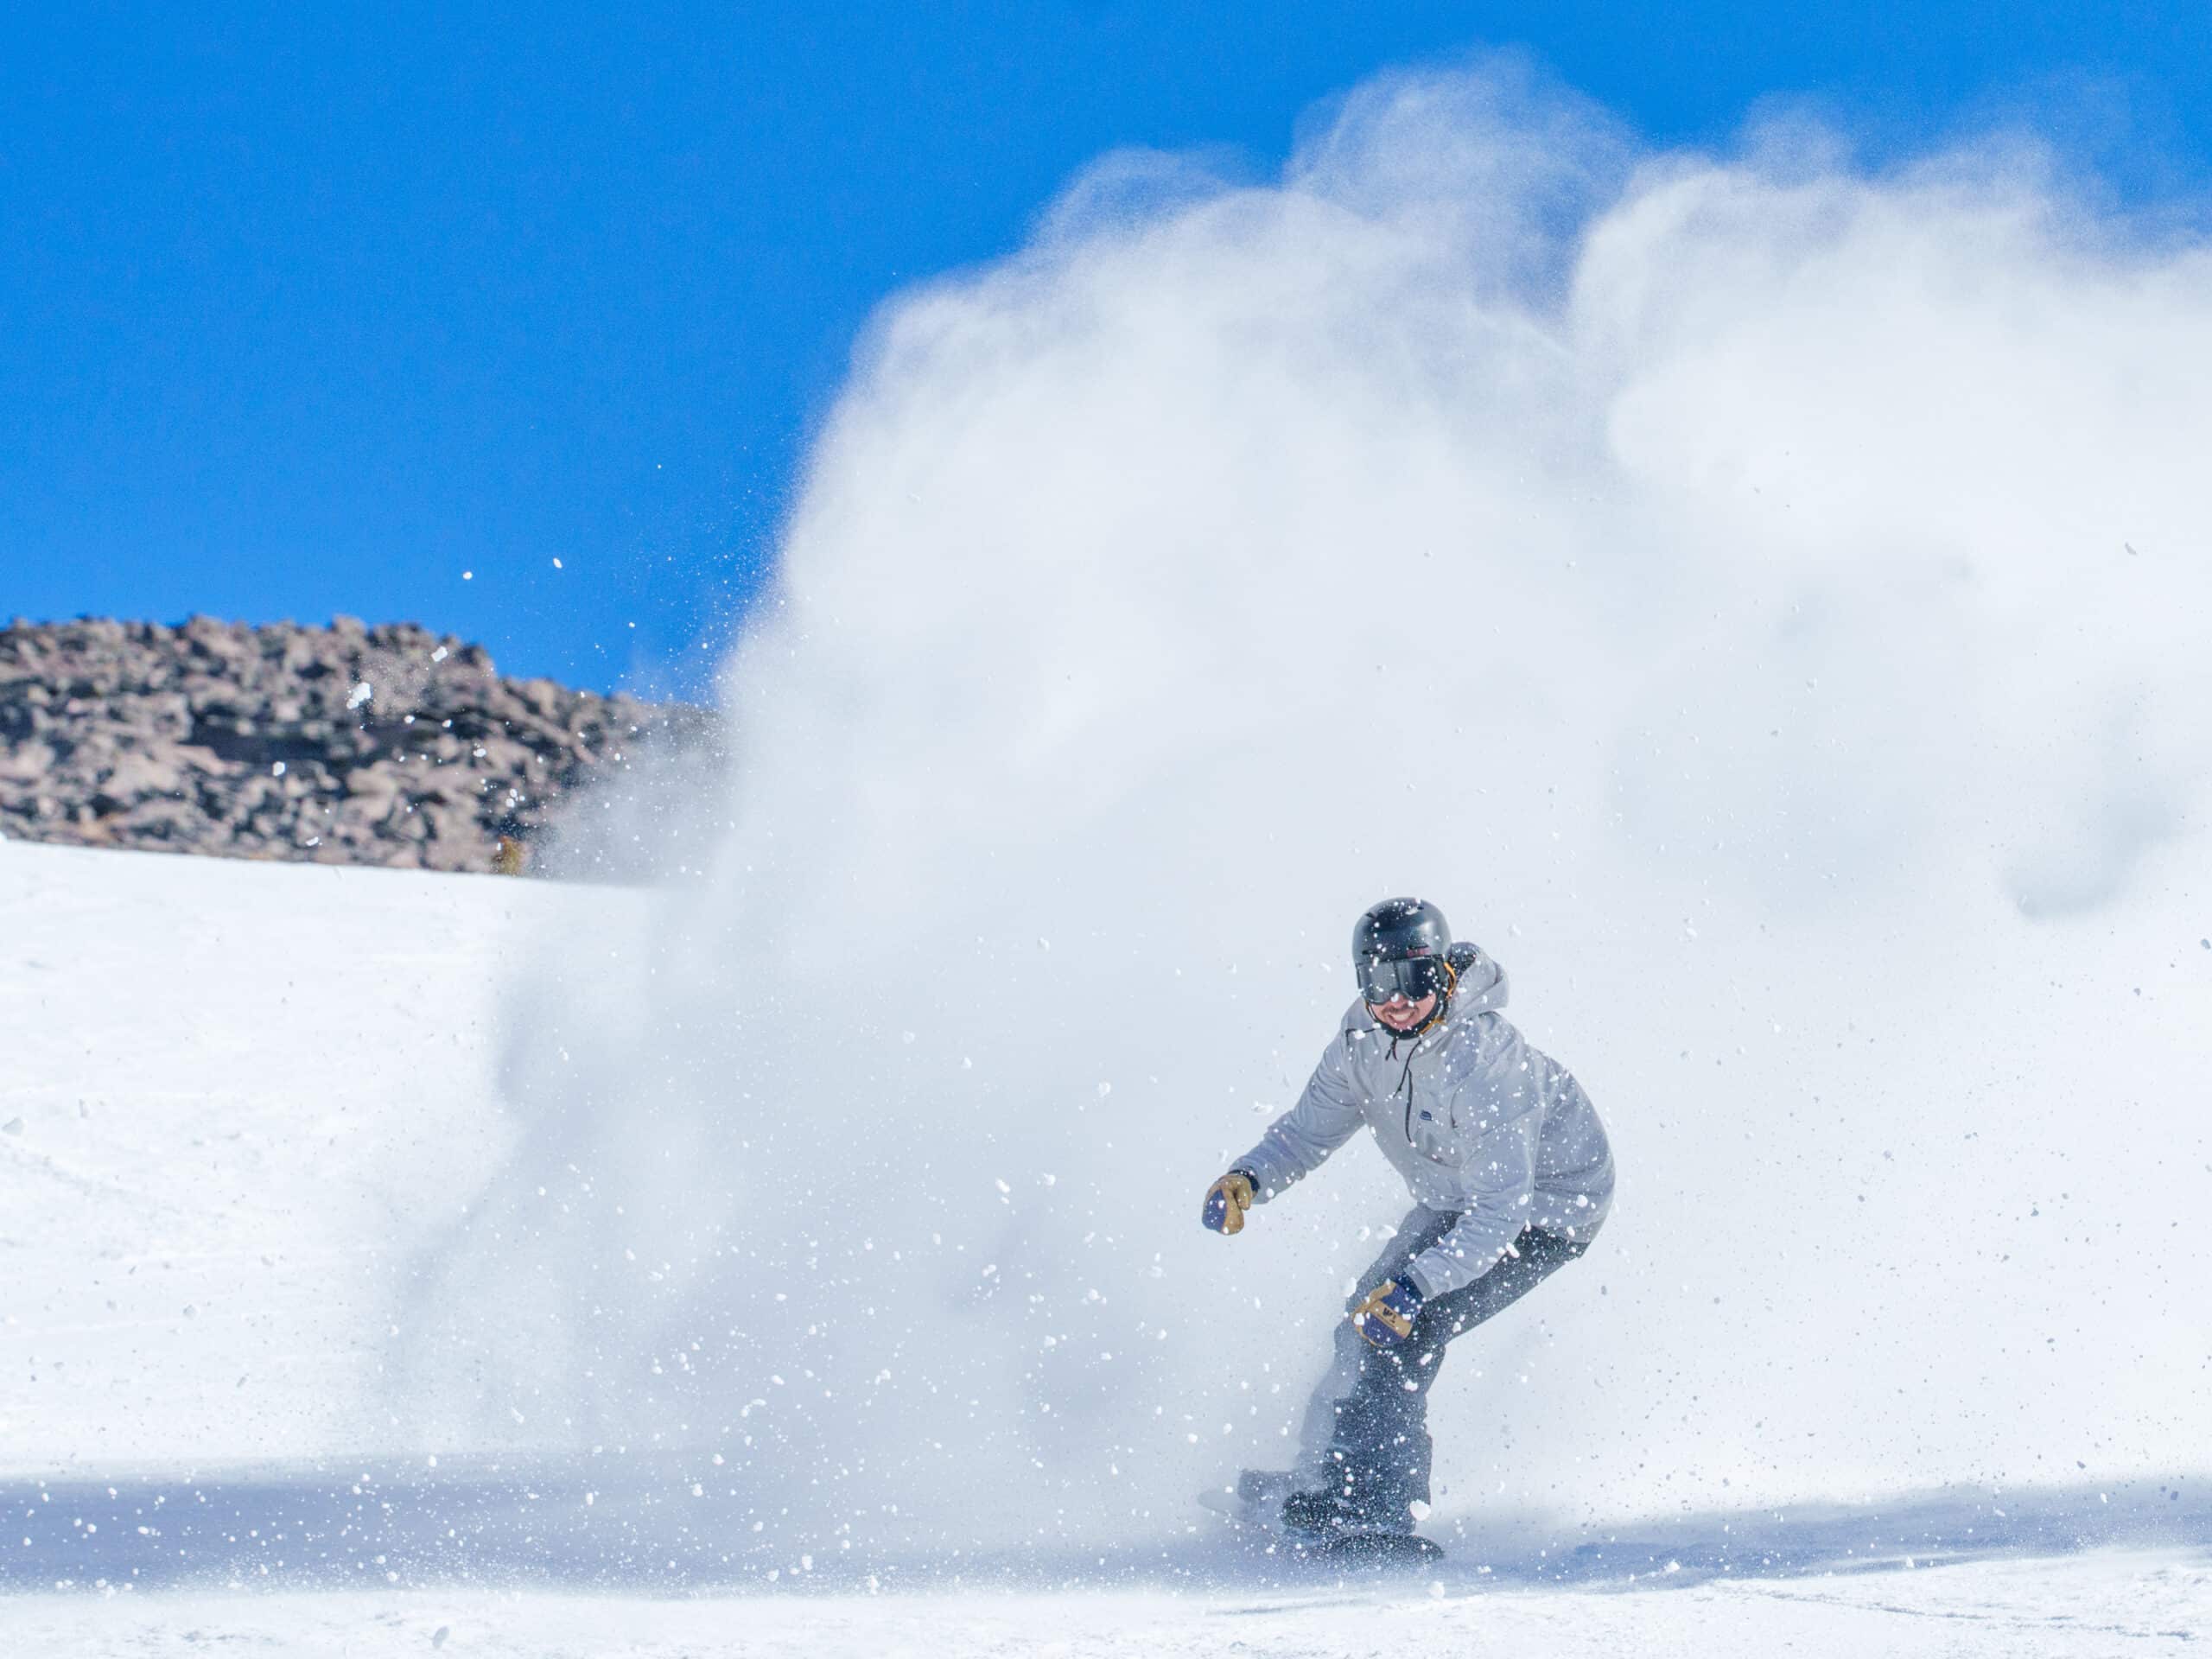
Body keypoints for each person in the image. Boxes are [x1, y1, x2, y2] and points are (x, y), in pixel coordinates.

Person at [1202, 897, 1614, 1540]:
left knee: (1405, 1332)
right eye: (1378, 982)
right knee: (1360, 1325)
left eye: (1413, 980)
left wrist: (1417, 1287)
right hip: (1458, 1196)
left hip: (1548, 1208)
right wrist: (1248, 1179)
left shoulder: (1485, 1064)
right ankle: (1323, 1481)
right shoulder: (1359, 1041)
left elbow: (1502, 1212)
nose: (1397, 1000)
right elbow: (1308, 1134)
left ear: (1444, 975)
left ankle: (1379, 1510)